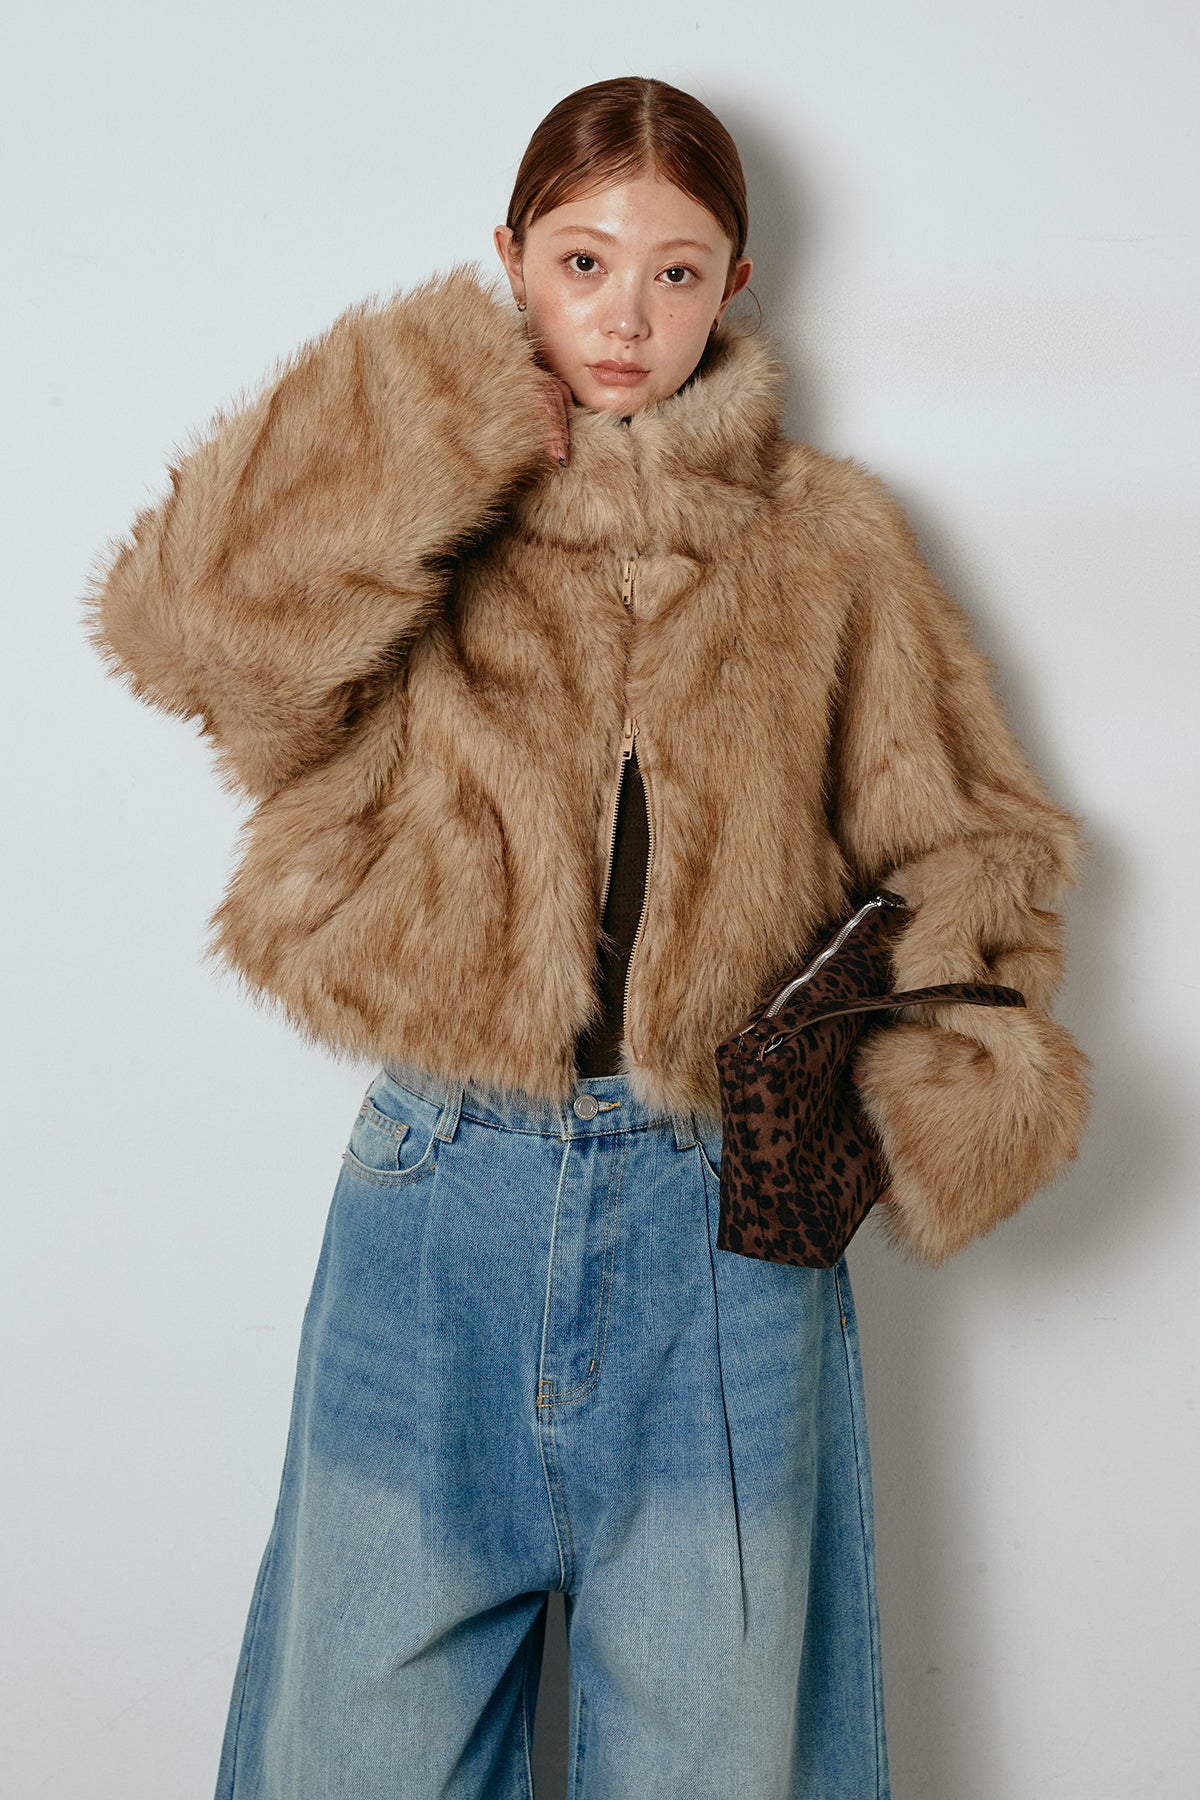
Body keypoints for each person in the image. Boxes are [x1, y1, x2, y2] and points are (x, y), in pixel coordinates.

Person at [83, 74, 1090, 1800]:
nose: (625, 318)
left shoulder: (831, 545)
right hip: (437, 1201)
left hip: (722, 1237)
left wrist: (918, 1102)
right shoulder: (424, 522)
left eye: (676, 271)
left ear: (736, 282)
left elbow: (980, 851)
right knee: (355, 1756)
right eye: (582, 262)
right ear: (511, 259)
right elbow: (188, 636)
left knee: (721, 1760)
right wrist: (433, 424)